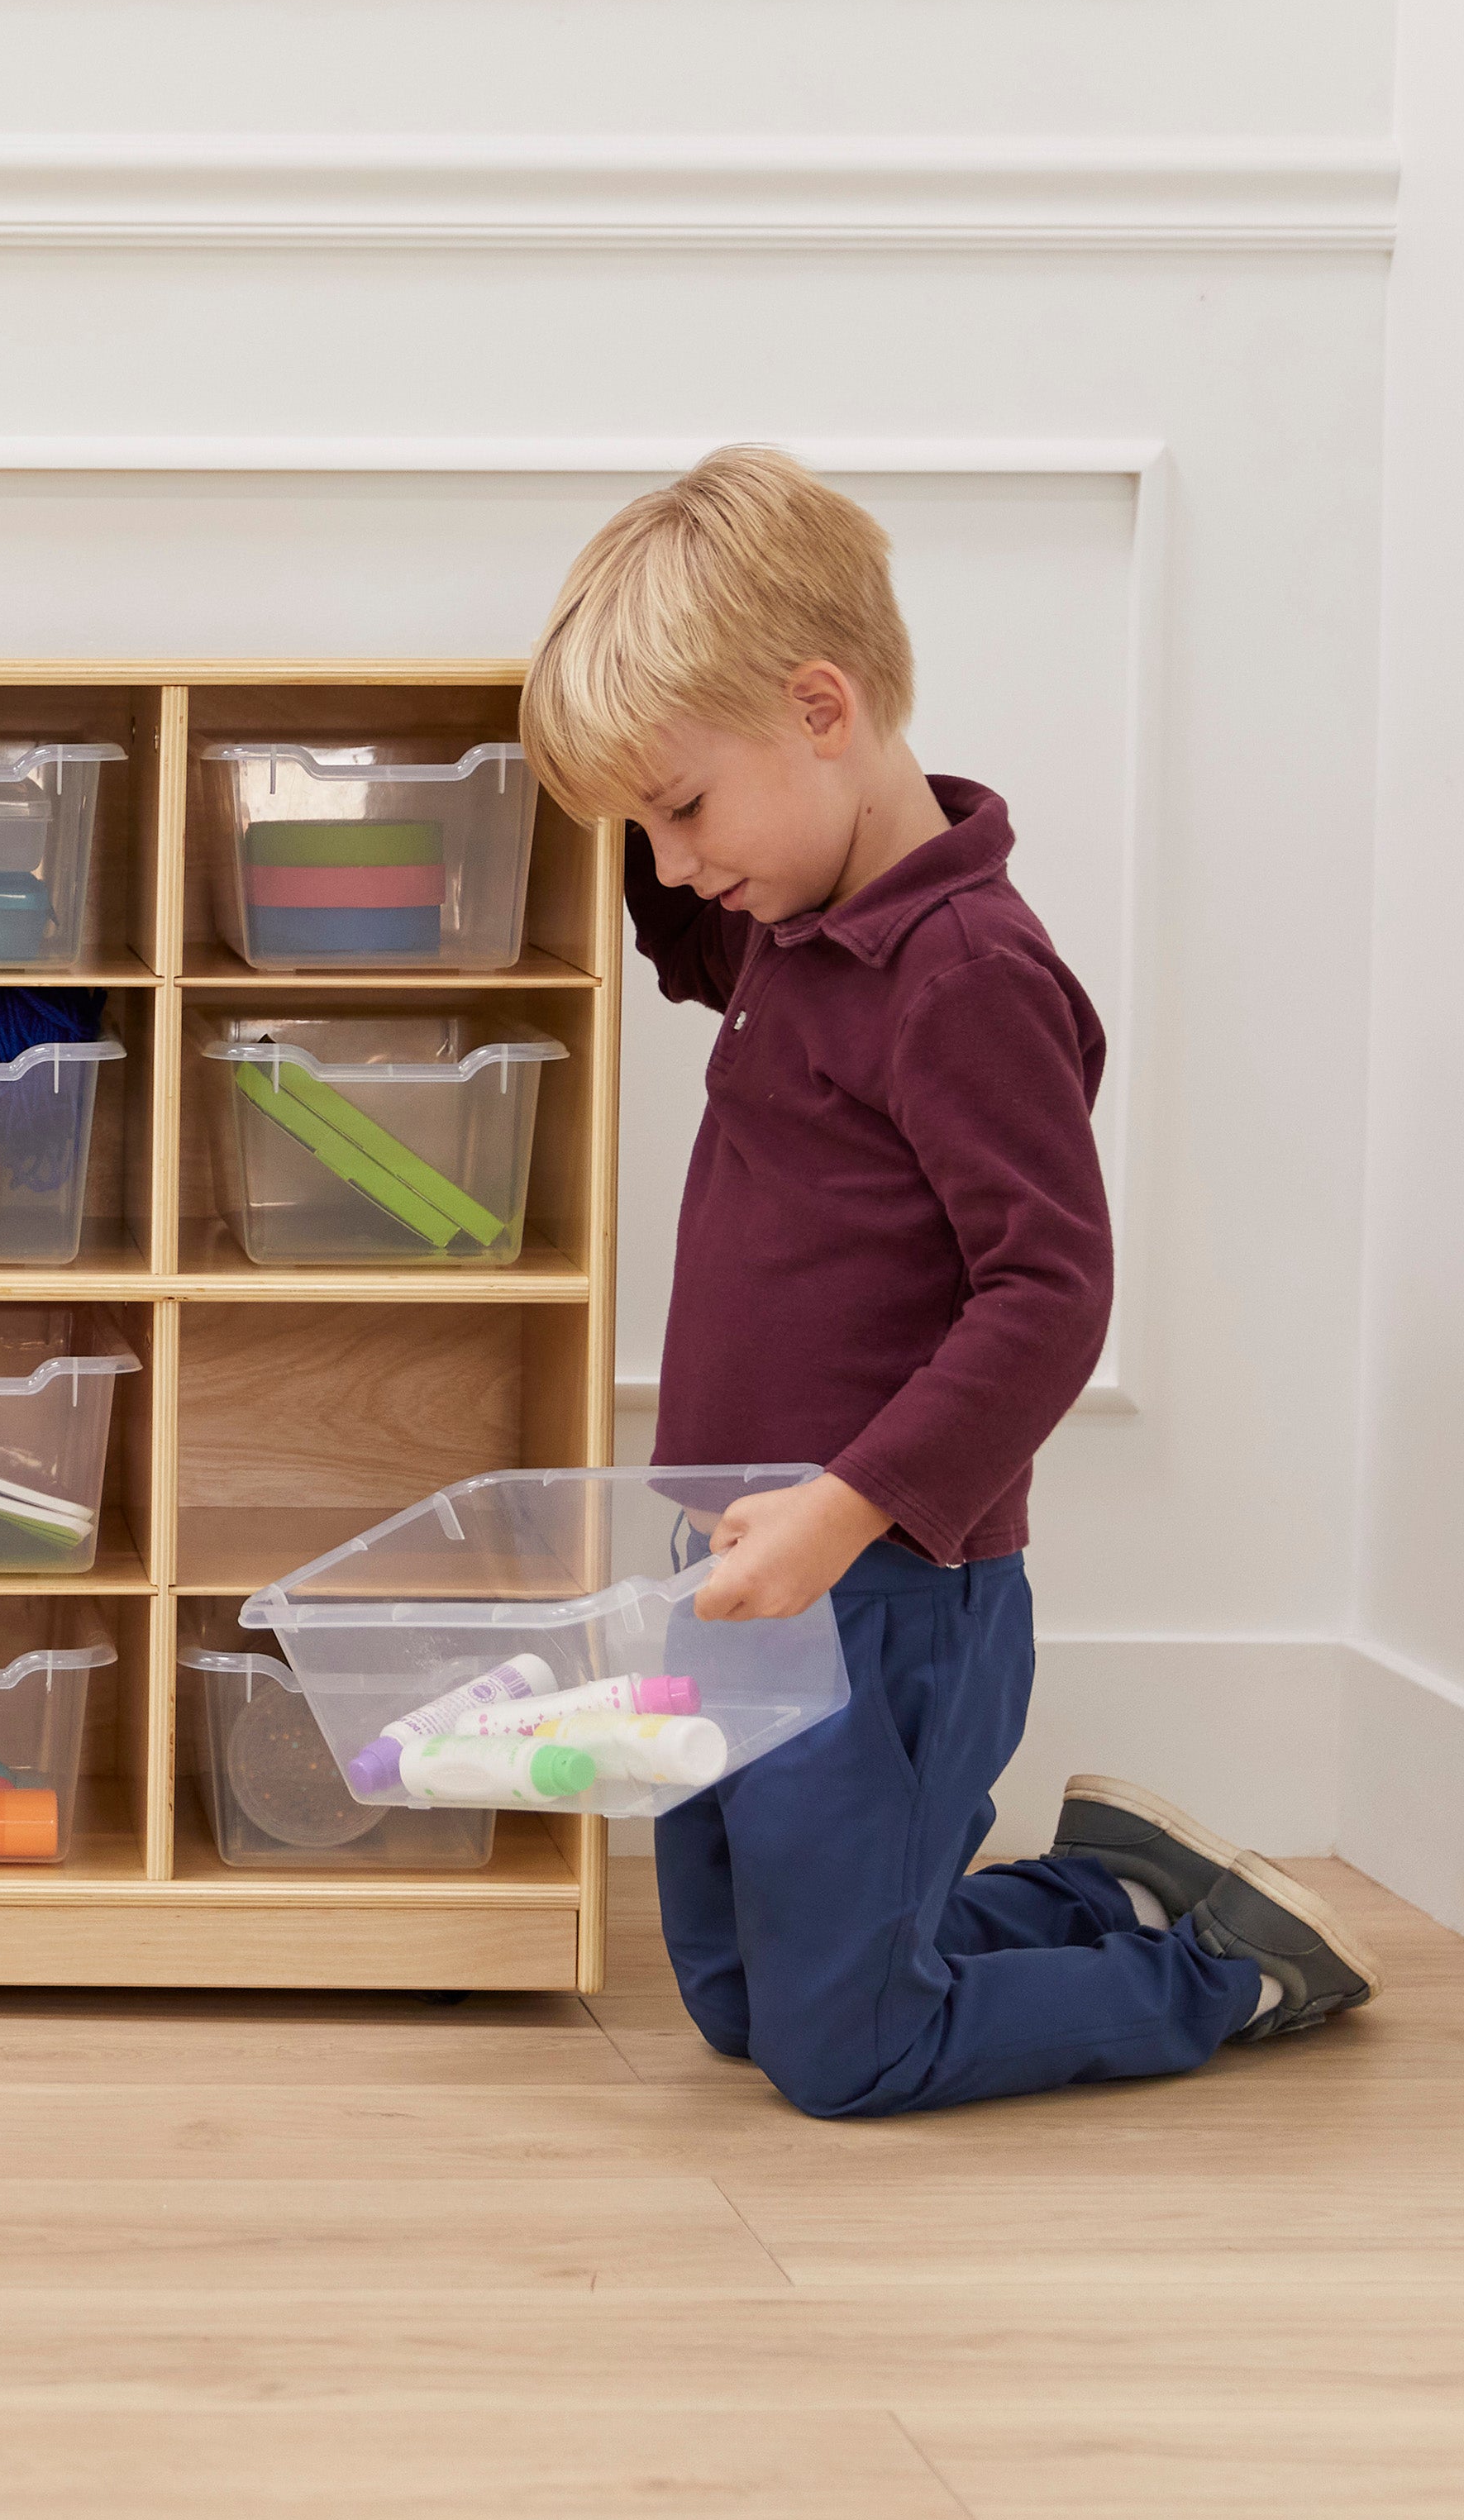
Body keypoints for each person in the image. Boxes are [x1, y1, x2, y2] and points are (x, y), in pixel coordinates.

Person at [520, 447, 1377, 2117]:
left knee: (843, 2053)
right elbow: (679, 925)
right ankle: (1084, 1886)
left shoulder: (961, 972)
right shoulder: (788, 911)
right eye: (647, 823)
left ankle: (1218, 1964)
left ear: (821, 710)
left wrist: (850, 1507)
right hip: (734, 1567)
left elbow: (1050, 1289)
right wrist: (606, 773)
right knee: (728, 1997)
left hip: (884, 1591)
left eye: (683, 805)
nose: (676, 861)